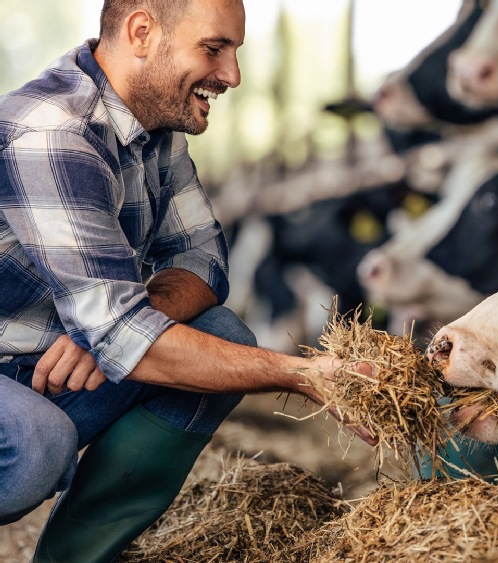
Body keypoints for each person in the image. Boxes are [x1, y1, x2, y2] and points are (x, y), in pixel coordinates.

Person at [0, 1, 375, 561]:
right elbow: (124, 332)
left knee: (221, 331)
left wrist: (113, 328)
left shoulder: (154, 130)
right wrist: (303, 374)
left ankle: (73, 557)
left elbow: (207, 261)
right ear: (143, 32)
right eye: (214, 49)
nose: (232, 76)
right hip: (17, 387)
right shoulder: (53, 132)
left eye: (235, 53)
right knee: (37, 444)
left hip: (49, 368)